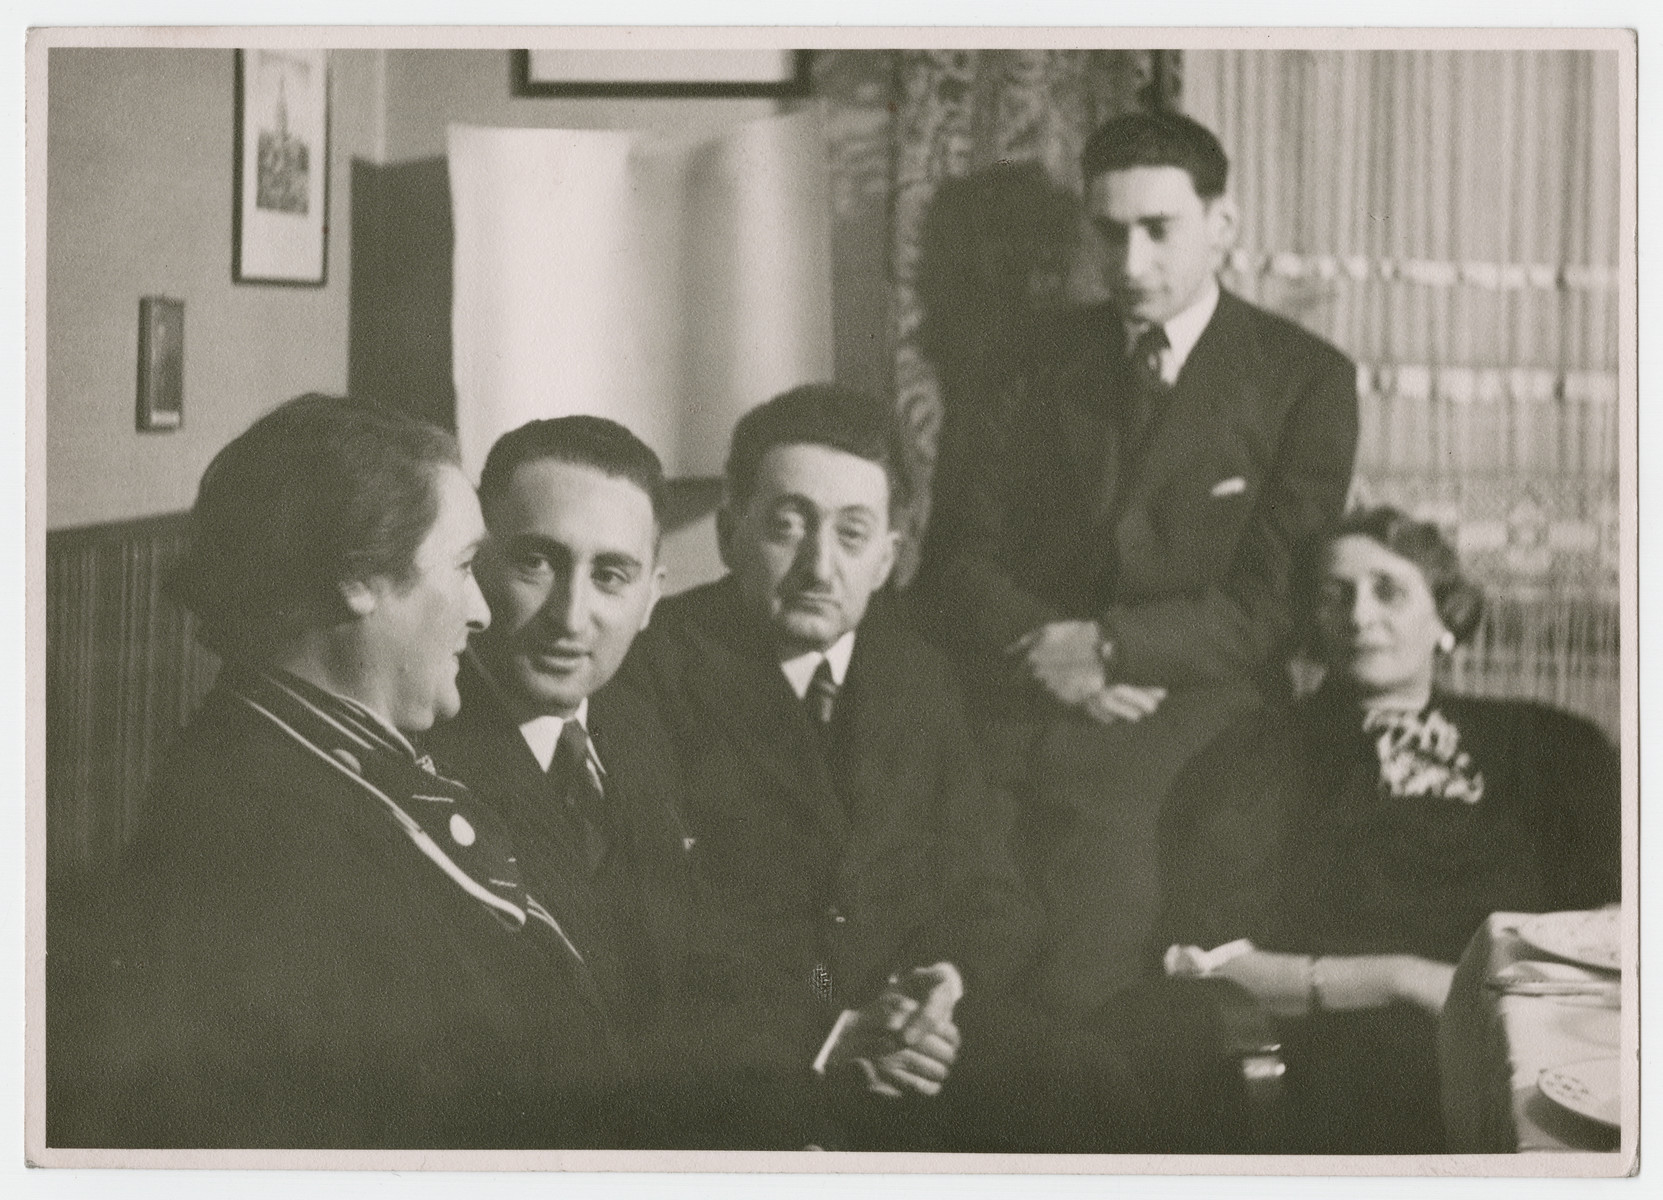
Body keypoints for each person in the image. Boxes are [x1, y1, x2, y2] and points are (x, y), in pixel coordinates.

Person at [46, 395, 629, 1148]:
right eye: (460, 568)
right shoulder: (260, 851)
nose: (480, 611)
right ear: (358, 578)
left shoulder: (326, 765)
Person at [915, 109, 1360, 1014]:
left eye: (1159, 231)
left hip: (1195, 710)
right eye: (1109, 233)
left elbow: (1271, 604)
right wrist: (1055, 653)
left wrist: (1112, 650)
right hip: (1015, 686)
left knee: (1088, 942)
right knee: (944, 915)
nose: (1129, 265)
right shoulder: (1020, 363)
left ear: (1220, 226)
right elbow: (957, 558)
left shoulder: (1304, 378)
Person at [1163, 507, 1622, 1153]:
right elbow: (1209, 959)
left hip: (1545, 1036)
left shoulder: (1549, 744)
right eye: (1335, 595)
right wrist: (1403, 978)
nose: (1358, 617)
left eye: (1388, 590)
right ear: (1313, 622)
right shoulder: (1259, 753)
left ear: (1444, 617)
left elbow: (1610, 918)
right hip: (1362, 1050)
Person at [418, 415, 801, 1147]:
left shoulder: (634, 725)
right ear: (474, 565)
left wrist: (827, 1034)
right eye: (536, 563)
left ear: (652, 596)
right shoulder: (423, 757)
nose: (571, 617)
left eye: (610, 575)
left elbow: (706, 952)